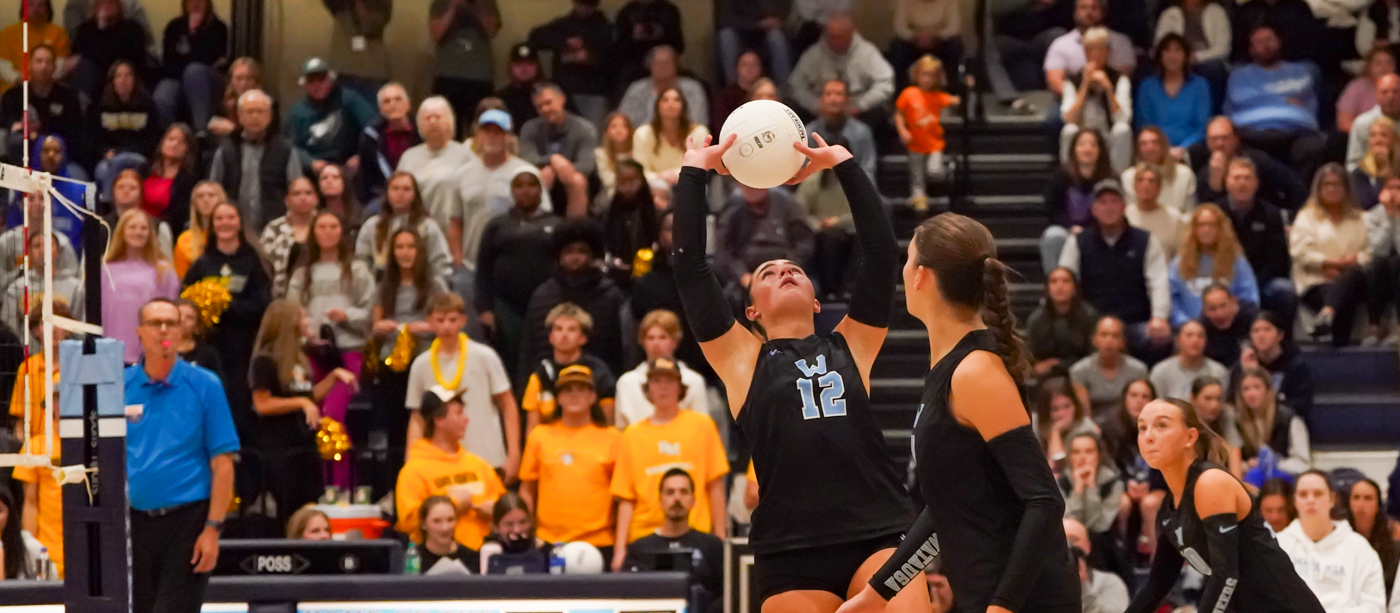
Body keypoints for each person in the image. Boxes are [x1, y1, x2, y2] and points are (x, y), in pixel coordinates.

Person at [671, 133, 929, 610]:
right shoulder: (741, 359)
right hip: (791, 552)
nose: (784, 271)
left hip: (879, 533)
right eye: (768, 273)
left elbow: (879, 254)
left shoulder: (853, 342)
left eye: (793, 269)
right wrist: (693, 173)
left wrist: (844, 164)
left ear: (815, 301)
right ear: (751, 312)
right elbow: (690, 269)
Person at [847, 210, 1082, 613]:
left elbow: (1045, 501)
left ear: (921, 276)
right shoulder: (953, 367)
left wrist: (1003, 606)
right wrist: (877, 594)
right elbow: (945, 508)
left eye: (908, 259)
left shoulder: (975, 372)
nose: (903, 270)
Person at [1120, 399, 1325, 613]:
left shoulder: (1211, 482)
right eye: (1142, 427)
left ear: (1190, 437)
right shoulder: (1168, 510)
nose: (1148, 436)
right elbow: (1157, 585)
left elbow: (1226, 575)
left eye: (1161, 425)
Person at [125, 298, 239, 613]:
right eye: (155, 323)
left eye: (171, 323)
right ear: (140, 332)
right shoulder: (121, 386)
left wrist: (212, 529)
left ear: (181, 331)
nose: (164, 329)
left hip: (188, 522)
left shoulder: (205, 385)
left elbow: (223, 464)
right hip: (135, 524)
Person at [610, 357, 728, 569]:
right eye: (656, 381)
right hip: (644, 537)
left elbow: (715, 485)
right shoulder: (632, 435)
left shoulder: (702, 426)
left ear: (680, 388)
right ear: (647, 390)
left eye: (669, 381)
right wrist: (620, 550)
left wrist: (720, 537)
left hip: (694, 533)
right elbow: (626, 498)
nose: (663, 387)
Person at [286, 211, 375, 486]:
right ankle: (321, 484)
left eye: (333, 226)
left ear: (341, 231)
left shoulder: (357, 270)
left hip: (348, 351)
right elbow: (291, 311)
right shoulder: (302, 273)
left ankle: (342, 485)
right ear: (313, 232)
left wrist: (347, 315)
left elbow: (371, 311)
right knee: (314, 420)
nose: (327, 232)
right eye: (321, 227)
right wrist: (306, 333)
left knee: (332, 416)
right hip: (312, 353)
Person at [248, 299, 355, 527]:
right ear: (288, 322)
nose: (307, 322)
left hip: (304, 444)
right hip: (280, 448)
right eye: (302, 317)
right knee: (289, 509)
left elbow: (308, 396)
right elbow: (262, 404)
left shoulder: (300, 358)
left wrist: (334, 376)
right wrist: (301, 403)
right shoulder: (264, 360)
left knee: (310, 506)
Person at [405, 293, 519, 480]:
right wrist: (411, 460)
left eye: (452, 320)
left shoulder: (485, 356)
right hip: (440, 463)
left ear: (463, 321)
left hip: (486, 457)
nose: (447, 326)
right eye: (440, 320)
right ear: (429, 322)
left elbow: (507, 404)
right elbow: (417, 416)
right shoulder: (421, 364)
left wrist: (514, 454)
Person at [185, 203, 273, 443]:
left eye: (230, 217)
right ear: (212, 225)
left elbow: (263, 304)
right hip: (210, 345)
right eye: (219, 218)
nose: (225, 223)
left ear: (240, 223)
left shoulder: (254, 261)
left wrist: (225, 304)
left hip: (244, 346)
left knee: (239, 401)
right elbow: (187, 301)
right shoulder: (202, 263)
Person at [1058, 179, 1173, 361]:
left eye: (1114, 201)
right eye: (1102, 202)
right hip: (1090, 325)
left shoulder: (1146, 241)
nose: (1109, 207)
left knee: (1160, 338)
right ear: (1093, 209)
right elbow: (1064, 280)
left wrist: (1159, 317)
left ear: (1124, 207)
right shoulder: (1077, 242)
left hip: (1134, 322)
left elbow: (1158, 282)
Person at [369, 228, 448, 479]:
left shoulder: (434, 284)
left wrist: (427, 327)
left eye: (411, 247)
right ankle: (397, 482)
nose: (405, 253)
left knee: (426, 420)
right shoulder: (384, 285)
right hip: (392, 362)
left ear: (420, 251)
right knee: (396, 426)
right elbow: (374, 325)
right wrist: (380, 328)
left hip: (424, 359)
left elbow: (446, 321)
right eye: (400, 247)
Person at [519, 364, 620, 556]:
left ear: (593, 397)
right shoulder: (540, 436)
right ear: (558, 398)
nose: (574, 395)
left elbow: (622, 496)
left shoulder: (613, 437)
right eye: (567, 390)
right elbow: (527, 489)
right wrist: (530, 534)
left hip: (600, 541)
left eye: (581, 389)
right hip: (548, 541)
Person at [396, 386, 507, 552]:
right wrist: (453, 506)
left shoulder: (479, 465)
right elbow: (409, 522)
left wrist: (496, 511)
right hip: (435, 559)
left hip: (480, 557)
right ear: (439, 420)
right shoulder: (414, 471)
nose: (466, 419)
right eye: (459, 413)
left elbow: (506, 508)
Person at [473, 168, 561, 375]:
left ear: (541, 190)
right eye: (519, 186)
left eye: (531, 185)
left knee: (544, 354)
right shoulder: (497, 225)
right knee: (510, 358)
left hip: (546, 302)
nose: (525, 191)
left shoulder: (556, 224)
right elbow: (483, 268)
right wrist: (485, 308)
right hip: (507, 305)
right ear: (512, 192)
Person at [520, 220, 628, 377]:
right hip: (547, 380)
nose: (575, 257)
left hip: (597, 381)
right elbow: (529, 350)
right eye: (568, 251)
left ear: (592, 255)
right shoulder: (542, 295)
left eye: (582, 251)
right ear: (559, 256)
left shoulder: (610, 296)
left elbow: (619, 351)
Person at [455, 109, 553, 276]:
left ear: (508, 137)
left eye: (498, 132)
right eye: (487, 131)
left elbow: (543, 219)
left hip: (514, 266)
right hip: (470, 267)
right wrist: (457, 259)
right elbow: (455, 221)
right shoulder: (462, 174)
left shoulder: (527, 173)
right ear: (478, 135)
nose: (492, 137)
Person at [1278, 470, 1389, 613]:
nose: (1310, 500)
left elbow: (1374, 605)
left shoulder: (1360, 549)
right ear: (1295, 501)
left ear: (1332, 498)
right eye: (1303, 494)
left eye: (1318, 494)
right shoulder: (1279, 545)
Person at [1225, 25, 1326, 177]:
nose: (1266, 45)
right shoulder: (1239, 75)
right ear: (1251, 49)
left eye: (1269, 40)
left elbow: (1308, 101)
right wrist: (1284, 99)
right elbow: (1239, 98)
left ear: (1279, 42)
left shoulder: (1301, 71)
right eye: (1259, 42)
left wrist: (1259, 97)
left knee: (1314, 147)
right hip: (1252, 134)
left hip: (1296, 131)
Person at [1293, 164, 1374, 345]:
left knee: (1351, 278)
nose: (1331, 189)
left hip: (1357, 278)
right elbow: (1300, 251)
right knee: (1344, 297)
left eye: (1337, 184)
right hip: (1316, 279)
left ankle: (1327, 314)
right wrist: (1327, 263)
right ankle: (1341, 345)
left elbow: (1373, 250)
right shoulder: (1306, 217)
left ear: (1346, 188)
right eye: (1327, 184)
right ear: (1319, 188)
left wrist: (1348, 266)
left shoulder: (1362, 218)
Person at [623, 468, 726, 610]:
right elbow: (628, 597)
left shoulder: (711, 546)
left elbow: (726, 594)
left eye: (684, 492)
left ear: (693, 500)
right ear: (660, 500)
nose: (677, 498)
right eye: (670, 492)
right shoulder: (639, 549)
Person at [209, 89, 304, 232]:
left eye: (260, 112)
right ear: (240, 116)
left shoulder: (285, 150)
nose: (255, 117)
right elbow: (214, 190)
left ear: (269, 116)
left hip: (275, 228)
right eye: (250, 112)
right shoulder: (226, 150)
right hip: (233, 229)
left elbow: (297, 190)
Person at [1218, 156, 1297, 322]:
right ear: (1227, 182)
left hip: (1262, 281)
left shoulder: (1271, 214)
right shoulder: (1215, 213)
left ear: (1256, 183)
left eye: (1247, 178)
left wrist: (1251, 284)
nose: (1242, 183)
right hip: (1223, 282)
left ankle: (1281, 337)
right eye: (1237, 178)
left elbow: (1277, 260)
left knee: (1285, 290)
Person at [519, 303, 617, 432]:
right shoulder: (541, 374)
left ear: (583, 338)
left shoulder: (599, 373)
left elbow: (608, 424)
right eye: (558, 329)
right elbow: (532, 429)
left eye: (572, 329)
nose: (564, 335)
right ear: (550, 337)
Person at [103, 209, 181, 364]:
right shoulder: (105, 269)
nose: (138, 232)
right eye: (132, 227)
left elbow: (173, 313)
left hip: (152, 355)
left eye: (143, 228)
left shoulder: (164, 270)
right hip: (111, 353)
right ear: (122, 231)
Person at [788, 14, 896, 122]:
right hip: (820, 112)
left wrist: (861, 105)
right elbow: (796, 85)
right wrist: (815, 106)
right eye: (832, 37)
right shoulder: (813, 54)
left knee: (877, 113)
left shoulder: (867, 53)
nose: (836, 42)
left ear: (851, 34)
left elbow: (885, 83)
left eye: (840, 37)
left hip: (858, 110)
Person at [526, 0, 616, 128]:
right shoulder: (564, 25)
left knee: (592, 132)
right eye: (580, 4)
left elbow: (614, 61)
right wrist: (565, 43)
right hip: (565, 89)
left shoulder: (605, 28)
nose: (583, 8)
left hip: (594, 91)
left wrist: (589, 56)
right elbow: (534, 37)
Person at [1169, 204, 1260, 327]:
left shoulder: (1236, 261)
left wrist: (1231, 318)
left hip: (1229, 327)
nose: (1206, 229)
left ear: (1220, 228)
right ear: (1194, 229)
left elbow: (1250, 299)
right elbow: (1172, 299)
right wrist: (1185, 323)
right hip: (1190, 328)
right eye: (1201, 225)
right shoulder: (1179, 263)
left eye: (1211, 225)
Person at [615, 310, 709, 428]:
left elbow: (702, 426)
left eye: (663, 337)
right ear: (643, 342)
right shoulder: (626, 383)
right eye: (650, 338)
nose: (656, 343)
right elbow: (621, 429)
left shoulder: (693, 381)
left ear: (675, 341)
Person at [286, 58, 378, 176]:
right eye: (311, 81)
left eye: (321, 79)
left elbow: (373, 125)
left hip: (349, 168)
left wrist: (361, 155)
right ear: (304, 85)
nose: (317, 85)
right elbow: (291, 145)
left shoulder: (349, 99)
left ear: (330, 80)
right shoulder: (297, 112)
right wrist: (310, 162)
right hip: (316, 172)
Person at [715, 184, 817, 290]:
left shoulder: (787, 203)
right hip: (745, 274)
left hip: (785, 268)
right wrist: (742, 276)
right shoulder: (733, 207)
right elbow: (724, 250)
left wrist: (787, 268)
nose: (751, 188)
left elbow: (804, 242)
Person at [1192, 116, 1306, 210]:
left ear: (1236, 139)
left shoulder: (1258, 160)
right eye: (1214, 139)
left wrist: (1292, 217)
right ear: (1207, 142)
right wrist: (1215, 186)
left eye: (1225, 138)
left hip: (1265, 219)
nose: (1220, 143)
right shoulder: (1203, 174)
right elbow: (1206, 215)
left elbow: (1293, 185)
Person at [1040, 129, 1114, 275]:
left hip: (1098, 232)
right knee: (1052, 236)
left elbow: (1111, 212)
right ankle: (1055, 282)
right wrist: (1070, 227)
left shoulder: (1109, 179)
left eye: (1092, 145)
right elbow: (1052, 209)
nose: (1087, 149)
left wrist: (1091, 230)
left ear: (1100, 150)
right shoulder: (1061, 176)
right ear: (1074, 149)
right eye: (1082, 144)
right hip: (1067, 230)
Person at [397, 96, 471, 238]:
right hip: (416, 234)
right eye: (427, 118)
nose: (432, 121)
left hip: (453, 233)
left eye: (437, 117)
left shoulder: (465, 155)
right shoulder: (409, 157)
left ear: (449, 121)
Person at [1060, 27, 1133, 173]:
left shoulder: (1119, 80)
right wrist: (1084, 86)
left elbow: (1122, 118)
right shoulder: (1073, 81)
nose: (1094, 54)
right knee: (1069, 130)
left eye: (1099, 49)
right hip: (1083, 137)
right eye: (1089, 49)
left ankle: (1118, 178)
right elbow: (1069, 118)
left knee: (1122, 129)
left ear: (1108, 52)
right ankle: (1069, 176)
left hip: (1107, 134)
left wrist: (1109, 90)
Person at [358, 172, 453, 281]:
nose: (400, 193)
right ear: (387, 193)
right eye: (395, 188)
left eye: (406, 189)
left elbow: (440, 263)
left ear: (415, 194)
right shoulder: (372, 226)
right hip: (380, 285)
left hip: (421, 284)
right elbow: (362, 262)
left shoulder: (428, 227)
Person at [520, 82, 595, 217]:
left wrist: (561, 168)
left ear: (562, 99)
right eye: (539, 106)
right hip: (544, 178)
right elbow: (527, 159)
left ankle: (575, 227)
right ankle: (534, 224)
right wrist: (552, 160)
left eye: (548, 103)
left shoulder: (584, 128)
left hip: (570, 179)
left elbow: (587, 165)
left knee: (578, 179)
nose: (545, 109)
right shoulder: (529, 128)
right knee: (541, 174)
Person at [895, 55, 959, 211]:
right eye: (924, 74)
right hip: (915, 144)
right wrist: (902, 130)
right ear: (916, 75)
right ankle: (919, 199)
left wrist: (960, 95)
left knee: (934, 172)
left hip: (934, 144)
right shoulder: (908, 94)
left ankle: (947, 171)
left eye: (932, 76)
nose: (927, 79)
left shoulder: (938, 96)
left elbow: (954, 100)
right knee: (917, 176)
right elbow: (898, 114)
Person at [152, 0, 227, 131]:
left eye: (199, 1)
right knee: (164, 90)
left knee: (194, 72)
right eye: (190, 1)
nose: (195, 5)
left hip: (205, 80)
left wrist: (194, 34)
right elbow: (168, 61)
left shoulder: (218, 28)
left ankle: (201, 131)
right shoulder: (174, 27)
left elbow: (208, 59)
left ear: (207, 4)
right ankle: (167, 137)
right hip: (177, 78)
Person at [90, 60, 160, 194]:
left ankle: (111, 202)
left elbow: (152, 138)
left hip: (139, 156)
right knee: (102, 170)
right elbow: (95, 138)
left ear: (135, 80)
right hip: (111, 157)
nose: (123, 80)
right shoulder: (100, 107)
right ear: (112, 81)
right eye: (119, 76)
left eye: (128, 75)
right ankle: (110, 203)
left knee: (129, 164)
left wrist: (125, 153)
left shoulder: (147, 106)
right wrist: (105, 152)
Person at [428, 0, 500, 128]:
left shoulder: (487, 2)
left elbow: (491, 31)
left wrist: (476, 7)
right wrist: (453, 7)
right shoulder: (441, 2)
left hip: (480, 78)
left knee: (480, 127)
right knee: (447, 127)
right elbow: (436, 34)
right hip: (447, 76)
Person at [1231, 310, 1316, 419]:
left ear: (1279, 335)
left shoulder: (1296, 366)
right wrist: (1249, 373)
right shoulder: (1243, 366)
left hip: (1284, 421)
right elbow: (1232, 402)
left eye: (1267, 330)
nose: (1261, 335)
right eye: (1256, 331)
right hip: (1250, 420)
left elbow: (1300, 405)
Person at [1, 233, 83, 338]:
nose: (43, 250)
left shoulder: (75, 288)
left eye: (48, 245)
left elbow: (81, 326)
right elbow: (9, 329)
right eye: (37, 246)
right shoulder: (16, 288)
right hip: (26, 347)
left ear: (58, 251)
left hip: (66, 346)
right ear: (29, 252)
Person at [1235, 367, 1311, 476]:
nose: (1251, 394)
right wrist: (1247, 465)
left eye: (1257, 387)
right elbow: (1231, 462)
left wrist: (1277, 464)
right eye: (1246, 389)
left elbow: (1303, 464)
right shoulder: (1237, 421)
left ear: (1268, 391)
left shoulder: (1289, 419)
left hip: (1283, 477)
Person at [0, 44, 82, 146]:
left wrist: (42, 132)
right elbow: (10, 125)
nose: (43, 66)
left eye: (48, 62)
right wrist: (22, 126)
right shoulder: (13, 95)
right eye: (38, 61)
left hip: (56, 146)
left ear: (54, 67)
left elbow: (74, 130)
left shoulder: (68, 96)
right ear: (30, 65)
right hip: (24, 143)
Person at [68, 0, 149, 98]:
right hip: (94, 76)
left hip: (123, 72)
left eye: (110, 2)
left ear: (118, 6)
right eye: (102, 3)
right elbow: (80, 55)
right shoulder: (86, 29)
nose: (106, 6)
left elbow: (133, 57)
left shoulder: (132, 28)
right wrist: (100, 28)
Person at [1026, 268, 1098, 377]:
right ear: (1048, 288)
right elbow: (1032, 358)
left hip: (1085, 373)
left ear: (1075, 287)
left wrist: (1059, 364)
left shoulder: (1090, 317)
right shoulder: (1036, 320)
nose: (1060, 286)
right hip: (1048, 376)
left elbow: (1095, 356)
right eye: (1054, 281)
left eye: (1066, 281)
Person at [358, 83, 421, 207]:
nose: (393, 104)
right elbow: (365, 176)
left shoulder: (421, 132)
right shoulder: (371, 135)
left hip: (418, 191)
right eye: (387, 101)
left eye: (398, 99)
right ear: (380, 109)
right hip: (382, 194)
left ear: (408, 105)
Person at [1070, 316, 1149, 414]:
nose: (1109, 341)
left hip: (1127, 420)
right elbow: (1083, 412)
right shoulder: (1079, 371)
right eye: (1104, 335)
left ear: (1122, 342)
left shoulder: (1138, 370)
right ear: (1094, 339)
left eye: (1115, 336)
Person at [632, 86, 708, 186]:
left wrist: (677, 174)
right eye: (665, 100)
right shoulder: (643, 133)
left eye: (676, 100)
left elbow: (700, 167)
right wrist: (659, 177)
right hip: (652, 185)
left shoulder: (698, 132)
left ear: (683, 106)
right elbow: (639, 170)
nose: (670, 104)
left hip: (688, 183)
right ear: (657, 106)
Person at [619, 46, 709, 128]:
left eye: (666, 63)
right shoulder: (637, 89)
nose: (661, 67)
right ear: (649, 66)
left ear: (676, 65)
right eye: (657, 63)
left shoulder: (692, 89)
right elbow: (622, 123)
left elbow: (698, 123)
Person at [808, 80, 879, 182]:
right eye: (828, 94)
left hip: (852, 185)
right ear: (821, 99)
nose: (833, 99)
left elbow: (867, 170)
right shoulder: (809, 132)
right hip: (815, 186)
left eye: (839, 94)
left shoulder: (861, 132)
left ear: (847, 99)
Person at [260, 177, 319, 298]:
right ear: (287, 200)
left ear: (316, 198)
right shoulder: (274, 228)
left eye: (308, 193)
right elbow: (263, 266)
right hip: (280, 295)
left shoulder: (325, 224)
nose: (303, 198)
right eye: (296, 194)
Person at [602, 159, 658, 286]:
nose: (628, 186)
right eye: (623, 182)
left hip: (649, 270)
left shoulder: (654, 210)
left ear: (642, 181)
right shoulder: (606, 210)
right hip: (616, 271)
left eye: (633, 181)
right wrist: (612, 260)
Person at [1059, 432, 1125, 539]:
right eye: (1076, 452)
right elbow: (1068, 523)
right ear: (1070, 457)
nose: (1082, 457)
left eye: (1089, 451)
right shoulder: (1061, 482)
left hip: (1104, 541)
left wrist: (1091, 488)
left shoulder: (1112, 482)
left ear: (1099, 455)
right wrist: (1077, 490)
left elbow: (1100, 526)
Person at [888, 0, 963, 92]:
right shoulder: (904, 2)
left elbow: (953, 27)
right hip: (913, 41)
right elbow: (900, 27)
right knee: (897, 48)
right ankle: (902, 93)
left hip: (939, 41)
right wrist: (914, 36)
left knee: (954, 46)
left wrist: (936, 36)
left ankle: (951, 92)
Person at [322, 0, 392, 99]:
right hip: (343, 70)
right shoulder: (342, 7)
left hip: (372, 73)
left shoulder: (379, 5)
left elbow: (370, 25)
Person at [715, 0, 791, 87]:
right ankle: (735, 88)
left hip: (767, 36)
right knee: (726, 36)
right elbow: (726, 20)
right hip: (741, 34)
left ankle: (784, 88)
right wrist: (758, 25)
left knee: (776, 37)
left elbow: (783, 15)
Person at [1063, 518, 1131, 613]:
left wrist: (1082, 584)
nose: (1068, 546)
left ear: (1088, 546)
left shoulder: (1109, 582)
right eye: (1062, 541)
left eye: (1074, 539)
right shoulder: (1044, 583)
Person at [1122, 126, 1197, 213]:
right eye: (1144, 144)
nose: (1149, 148)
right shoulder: (1128, 177)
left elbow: (1190, 211)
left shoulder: (1184, 174)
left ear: (1163, 146)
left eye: (1154, 143)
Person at [0, 0, 69, 94]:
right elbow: (3, 67)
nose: (36, 9)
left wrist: (40, 81)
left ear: (48, 8)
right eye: (31, 4)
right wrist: (24, 80)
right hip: (13, 89)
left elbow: (60, 65)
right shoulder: (7, 33)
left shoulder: (58, 33)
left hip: (47, 90)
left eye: (41, 5)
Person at [143, 124, 200, 236]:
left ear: (188, 148)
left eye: (181, 142)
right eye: (171, 139)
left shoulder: (188, 180)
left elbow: (179, 218)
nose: (174, 144)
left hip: (165, 232)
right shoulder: (145, 169)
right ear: (162, 142)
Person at [1150, 321, 1230, 398]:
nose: (1195, 340)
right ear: (1178, 340)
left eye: (1200, 336)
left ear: (1205, 341)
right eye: (1189, 335)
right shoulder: (1161, 372)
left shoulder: (1218, 372)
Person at [1033, 375, 1100, 468]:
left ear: (1075, 406)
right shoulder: (1034, 425)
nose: (1062, 414)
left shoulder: (1087, 428)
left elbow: (1058, 467)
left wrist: (1055, 431)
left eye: (1067, 406)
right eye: (1055, 409)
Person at [1347, 479, 1399, 594]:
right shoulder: (1339, 539)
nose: (1361, 504)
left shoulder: (1393, 546)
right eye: (1356, 497)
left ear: (1378, 505)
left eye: (1368, 498)